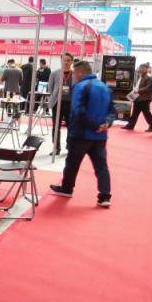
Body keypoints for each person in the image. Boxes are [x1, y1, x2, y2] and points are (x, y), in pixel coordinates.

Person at [50, 61, 114, 207]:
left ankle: (67, 188)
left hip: (81, 133)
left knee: (72, 163)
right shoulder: (104, 87)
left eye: (74, 72)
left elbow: (78, 110)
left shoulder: (80, 86)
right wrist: (106, 124)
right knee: (101, 166)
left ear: (80, 72)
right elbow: (112, 110)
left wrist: (94, 126)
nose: (73, 75)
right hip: (100, 135)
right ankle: (105, 196)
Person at [48, 53, 75, 156]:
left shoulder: (75, 74)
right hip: (57, 103)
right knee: (56, 126)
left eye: (68, 60)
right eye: (64, 60)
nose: (66, 62)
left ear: (72, 62)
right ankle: (56, 148)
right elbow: (50, 88)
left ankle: (69, 146)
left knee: (71, 127)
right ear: (61, 61)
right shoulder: (55, 73)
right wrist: (54, 96)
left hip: (71, 104)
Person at [122, 63, 152, 131]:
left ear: (146, 69)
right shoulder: (141, 76)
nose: (140, 69)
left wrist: (139, 91)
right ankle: (130, 125)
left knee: (146, 113)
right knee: (135, 112)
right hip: (138, 97)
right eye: (140, 67)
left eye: (142, 68)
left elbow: (149, 88)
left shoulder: (148, 77)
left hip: (144, 98)